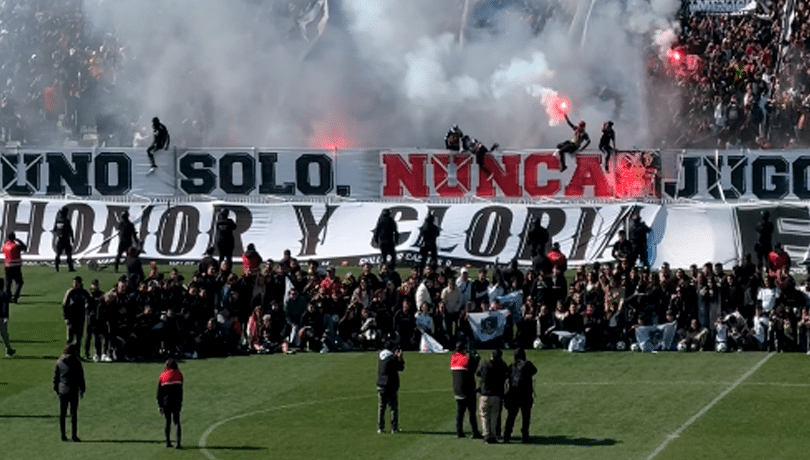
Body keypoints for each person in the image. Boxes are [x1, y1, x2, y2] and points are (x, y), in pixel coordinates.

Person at [503, 348, 537, 443]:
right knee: (526, 417)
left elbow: (506, 376)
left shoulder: (511, 366)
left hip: (513, 394)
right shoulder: (527, 364)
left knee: (511, 416)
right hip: (525, 395)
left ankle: (507, 435)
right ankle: (525, 436)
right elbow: (534, 371)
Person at [450, 341, 482, 439]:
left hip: (457, 389)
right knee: (472, 412)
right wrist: (475, 357)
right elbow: (474, 369)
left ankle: (459, 431)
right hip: (468, 389)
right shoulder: (465, 359)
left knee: (460, 412)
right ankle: (475, 431)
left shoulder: (453, 358)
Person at [53, 344, 85, 442]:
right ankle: (74, 435)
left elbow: (56, 378)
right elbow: (81, 377)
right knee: (73, 414)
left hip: (63, 390)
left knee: (62, 413)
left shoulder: (59, 362)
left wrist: (56, 389)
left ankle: (63, 435)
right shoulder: (76, 362)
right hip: (73, 390)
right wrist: (82, 389)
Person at [476, 348, 508, 443]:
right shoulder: (501, 366)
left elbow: (478, 373)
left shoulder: (485, 365)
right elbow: (506, 374)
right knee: (494, 416)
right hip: (496, 395)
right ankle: (493, 434)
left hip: (485, 394)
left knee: (484, 416)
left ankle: (486, 434)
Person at [376, 340, 404, 433]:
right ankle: (394, 427)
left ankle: (380, 427)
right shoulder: (392, 359)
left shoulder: (381, 358)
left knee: (381, 407)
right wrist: (399, 358)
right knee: (393, 407)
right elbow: (401, 367)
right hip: (390, 386)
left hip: (380, 385)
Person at [157, 358, 183, 449]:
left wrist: (160, 405)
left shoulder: (163, 375)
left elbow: (159, 392)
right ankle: (178, 443)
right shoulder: (179, 374)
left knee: (168, 421)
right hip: (176, 401)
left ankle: (168, 441)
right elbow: (180, 389)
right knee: (177, 421)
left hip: (166, 402)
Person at [62, 276, 90, 347]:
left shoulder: (84, 293)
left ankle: (77, 354)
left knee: (79, 337)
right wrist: (66, 317)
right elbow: (64, 306)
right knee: (70, 337)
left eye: (77, 283)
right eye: (74, 283)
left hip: (81, 317)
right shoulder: (70, 292)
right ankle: (68, 354)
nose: (75, 284)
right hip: (72, 318)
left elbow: (90, 302)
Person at [2, 231, 26, 303]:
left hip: (7, 266)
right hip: (16, 266)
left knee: (8, 282)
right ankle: (15, 297)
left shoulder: (5, 245)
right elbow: (24, 247)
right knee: (19, 282)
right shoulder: (16, 246)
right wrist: (18, 240)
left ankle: (8, 297)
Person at [53, 206, 75, 272]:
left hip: (59, 239)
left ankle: (56, 267)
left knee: (58, 254)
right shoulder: (66, 221)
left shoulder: (57, 221)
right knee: (68, 253)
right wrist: (72, 238)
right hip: (66, 239)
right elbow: (70, 230)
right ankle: (70, 267)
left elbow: (54, 230)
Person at [0, 277, 14, 357]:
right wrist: (6, 316)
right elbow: (5, 306)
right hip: (1, 317)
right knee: (4, 335)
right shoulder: (3, 294)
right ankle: (8, 350)